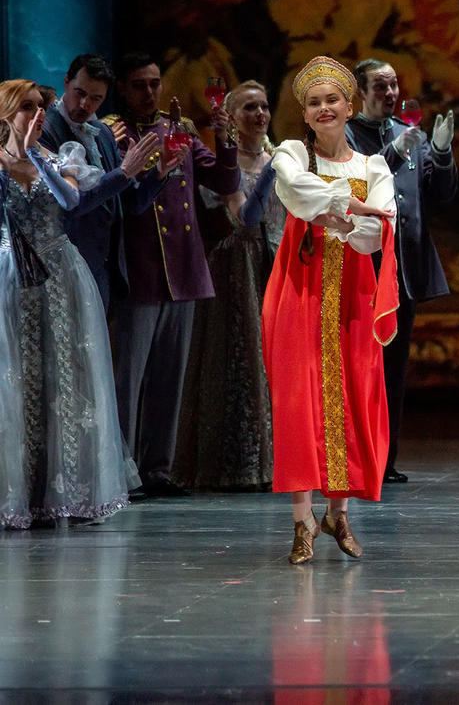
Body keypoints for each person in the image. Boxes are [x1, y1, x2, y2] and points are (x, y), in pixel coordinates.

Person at [263, 56, 398, 564]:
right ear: (305, 112)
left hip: (353, 297)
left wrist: (343, 216)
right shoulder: (292, 153)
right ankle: (302, 521)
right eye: (314, 102)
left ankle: (338, 514)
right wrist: (350, 209)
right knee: (299, 398)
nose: (324, 108)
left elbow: (374, 232)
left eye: (332, 100)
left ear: (350, 106)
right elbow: (298, 193)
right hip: (299, 289)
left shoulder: (373, 166)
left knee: (352, 394)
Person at [0, 79, 138, 528]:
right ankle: (19, 492)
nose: (38, 114)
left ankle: (62, 491)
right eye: (27, 107)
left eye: (41, 107)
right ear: (7, 113)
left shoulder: (60, 158)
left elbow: (71, 200)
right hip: (11, 275)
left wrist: (35, 154)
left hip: (60, 275)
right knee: (17, 378)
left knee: (62, 377)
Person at [111, 52, 241, 499]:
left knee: (170, 378)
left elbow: (224, 183)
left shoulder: (178, 128)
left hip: (182, 268)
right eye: (139, 85)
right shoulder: (114, 133)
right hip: (140, 267)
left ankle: (158, 470)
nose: (149, 92)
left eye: (154, 83)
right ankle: (123, 471)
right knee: (128, 381)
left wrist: (224, 138)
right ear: (123, 89)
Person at [346, 59, 458, 484]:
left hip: (403, 270)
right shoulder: (347, 135)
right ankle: (357, 458)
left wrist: (441, 153)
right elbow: (358, 184)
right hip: (364, 266)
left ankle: (385, 460)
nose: (390, 93)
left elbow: (441, 194)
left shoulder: (411, 134)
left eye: (393, 85)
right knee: (361, 366)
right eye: (380, 86)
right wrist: (394, 152)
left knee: (393, 369)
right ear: (361, 92)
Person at [172, 81, 283, 491]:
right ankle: (235, 462)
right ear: (232, 117)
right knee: (239, 359)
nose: (260, 114)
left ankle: (279, 460)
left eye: (264, 106)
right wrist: (270, 177)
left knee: (275, 360)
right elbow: (242, 217)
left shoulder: (280, 158)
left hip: (276, 262)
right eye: (250, 108)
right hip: (237, 264)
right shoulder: (229, 164)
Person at [39, 54, 166, 310]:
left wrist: (161, 171)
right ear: (66, 82)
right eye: (80, 93)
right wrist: (122, 173)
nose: (85, 105)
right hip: (63, 265)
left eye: (96, 98)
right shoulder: (45, 131)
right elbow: (68, 205)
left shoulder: (103, 133)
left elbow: (130, 202)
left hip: (103, 267)